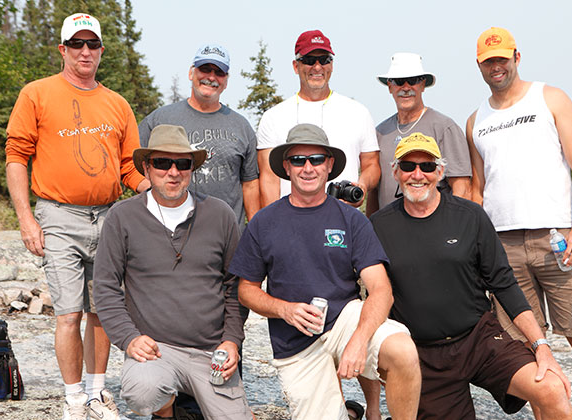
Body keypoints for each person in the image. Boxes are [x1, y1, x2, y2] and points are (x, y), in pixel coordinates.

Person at [370, 133, 572, 419]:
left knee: (552, 388)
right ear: (395, 172)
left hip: (480, 339)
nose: (418, 175)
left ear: (440, 172)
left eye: (427, 166)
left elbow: (504, 283)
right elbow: (371, 295)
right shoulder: (379, 226)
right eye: (408, 166)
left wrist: (541, 346)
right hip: (423, 356)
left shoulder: (471, 216)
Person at [5, 13, 149, 420]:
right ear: (63, 49)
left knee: (101, 310)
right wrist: (26, 220)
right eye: (77, 44)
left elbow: (129, 168)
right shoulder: (37, 93)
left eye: (92, 44)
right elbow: (16, 156)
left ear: (101, 50)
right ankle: (72, 399)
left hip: (109, 217)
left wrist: (156, 191)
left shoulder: (117, 103)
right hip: (58, 215)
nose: (85, 52)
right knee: (69, 312)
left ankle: (97, 392)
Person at [229, 123, 421, 420]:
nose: (308, 168)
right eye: (298, 160)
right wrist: (285, 310)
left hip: (344, 320)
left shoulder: (352, 220)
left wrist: (358, 340)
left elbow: (381, 289)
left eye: (316, 159)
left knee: (403, 351)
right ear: (286, 166)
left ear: (329, 165)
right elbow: (246, 290)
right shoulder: (263, 222)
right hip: (295, 343)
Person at [466, 27, 572, 414]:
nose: (496, 66)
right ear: (479, 65)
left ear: (516, 57)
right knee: (527, 351)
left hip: (556, 241)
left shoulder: (551, 98)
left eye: (502, 58)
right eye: (488, 61)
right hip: (503, 249)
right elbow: (479, 190)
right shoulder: (475, 120)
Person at [93, 124, 252, 420]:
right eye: (163, 163)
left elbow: (235, 286)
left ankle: (192, 407)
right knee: (143, 394)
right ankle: (167, 413)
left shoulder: (220, 214)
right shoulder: (122, 217)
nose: (173, 172)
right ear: (147, 167)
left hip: (211, 351)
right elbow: (105, 287)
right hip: (156, 351)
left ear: (192, 168)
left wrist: (232, 340)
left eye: (182, 163)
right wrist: (129, 339)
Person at [139, 43, 259, 229]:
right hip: (168, 232)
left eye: (219, 72)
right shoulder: (159, 119)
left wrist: (254, 231)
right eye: (204, 69)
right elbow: (134, 167)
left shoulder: (241, 126)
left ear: (226, 81)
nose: (211, 77)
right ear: (191, 73)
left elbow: (250, 184)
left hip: (226, 236)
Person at [257, 30, 380, 208]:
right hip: (292, 222)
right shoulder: (273, 117)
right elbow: (269, 179)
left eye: (324, 60)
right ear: (295, 66)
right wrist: (275, 224)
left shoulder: (358, 112)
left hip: (343, 219)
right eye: (308, 60)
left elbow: (372, 165)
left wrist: (362, 186)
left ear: (332, 64)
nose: (317, 67)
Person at [367, 52, 472, 217]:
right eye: (399, 82)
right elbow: (374, 193)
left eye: (413, 81)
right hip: (389, 233)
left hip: (435, 230)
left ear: (423, 84)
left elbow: (462, 188)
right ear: (389, 86)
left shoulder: (445, 128)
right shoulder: (380, 132)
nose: (406, 87)